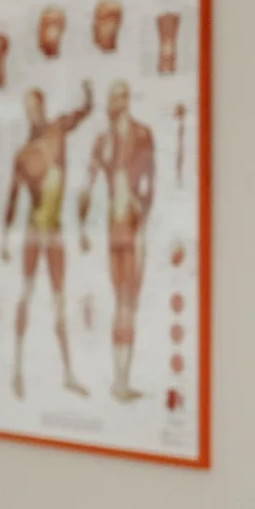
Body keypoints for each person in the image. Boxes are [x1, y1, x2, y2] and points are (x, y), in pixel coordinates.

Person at [3, 80, 94, 399]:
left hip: (53, 230)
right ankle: (16, 370)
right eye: (27, 109)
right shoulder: (24, 153)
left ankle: (68, 373)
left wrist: (88, 95)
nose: (32, 114)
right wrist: (3, 237)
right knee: (26, 294)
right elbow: (13, 197)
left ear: (42, 106)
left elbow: (82, 114)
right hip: (34, 230)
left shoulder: (57, 131)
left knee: (59, 301)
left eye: (35, 107)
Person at [78, 80, 157, 402]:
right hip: (120, 226)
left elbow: (151, 180)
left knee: (129, 303)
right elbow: (87, 183)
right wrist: (82, 226)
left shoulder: (140, 135)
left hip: (132, 223)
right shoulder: (104, 141)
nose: (114, 104)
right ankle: (119, 382)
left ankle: (121, 380)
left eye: (118, 97)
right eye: (112, 98)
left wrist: (143, 210)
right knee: (124, 302)